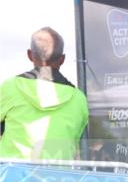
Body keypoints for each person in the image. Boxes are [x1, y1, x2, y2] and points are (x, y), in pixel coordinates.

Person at [0, 27, 88, 160]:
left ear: (30, 55)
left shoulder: (10, 87)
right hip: (57, 178)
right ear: (62, 59)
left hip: (12, 178)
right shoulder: (79, 99)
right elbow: (74, 138)